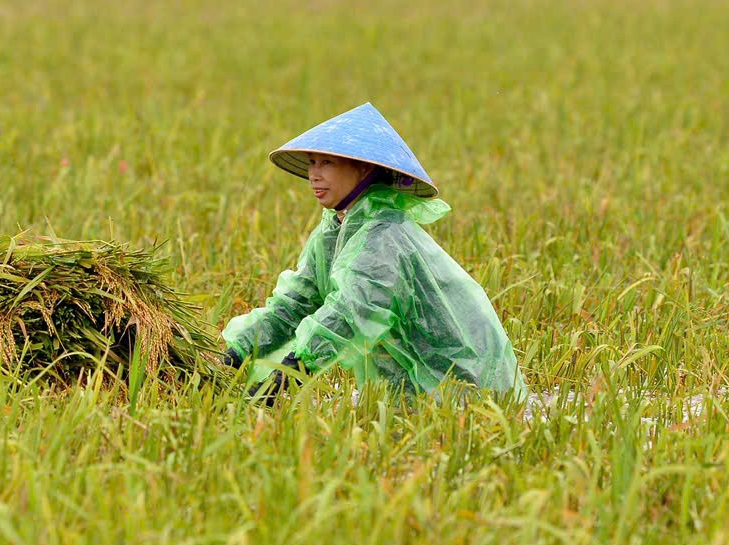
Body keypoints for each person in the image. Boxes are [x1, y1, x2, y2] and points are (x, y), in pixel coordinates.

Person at [221, 102, 526, 405]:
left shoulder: (386, 235)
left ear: (363, 168)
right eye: (312, 162)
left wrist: (286, 375)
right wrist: (232, 354)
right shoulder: (334, 231)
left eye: (327, 163)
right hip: (407, 391)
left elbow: (351, 311)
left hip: (466, 387)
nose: (314, 174)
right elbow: (295, 304)